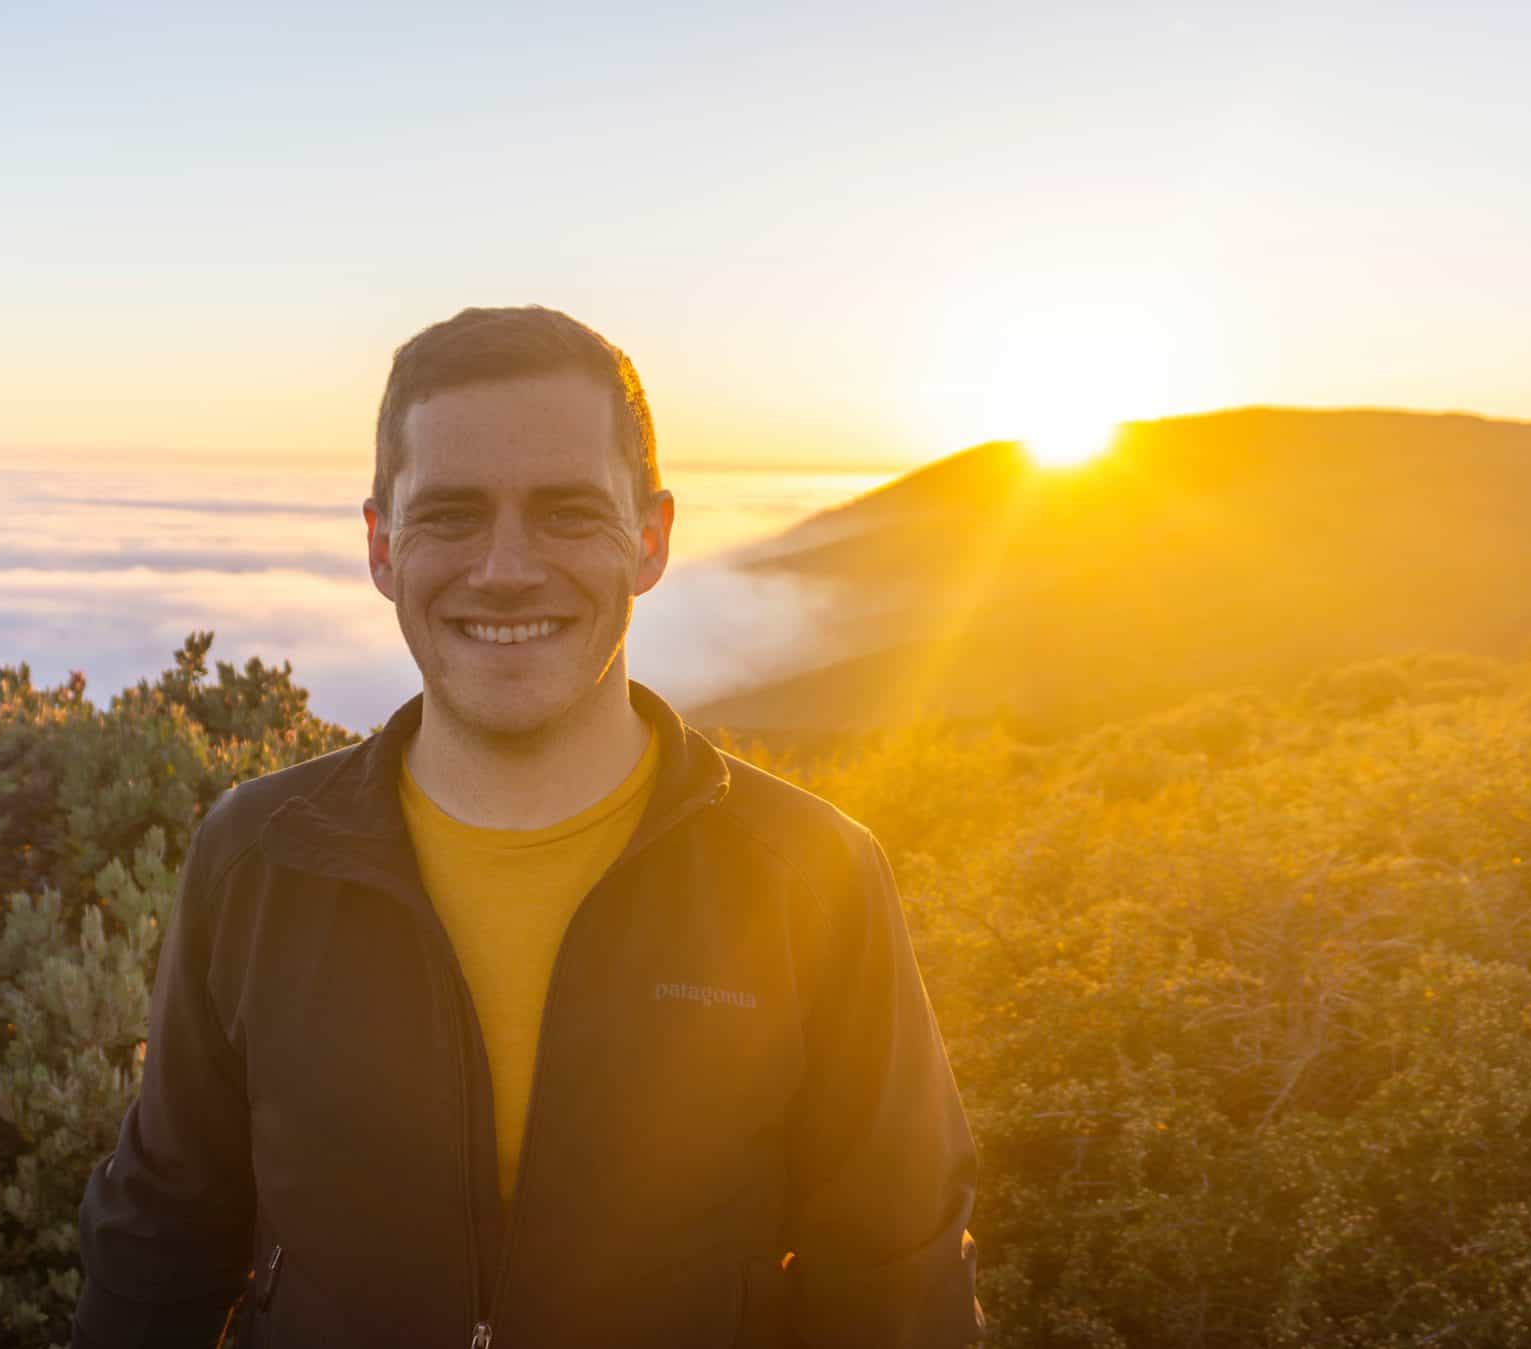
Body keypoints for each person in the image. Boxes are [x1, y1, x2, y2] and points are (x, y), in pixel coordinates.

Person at [72, 306, 984, 1348]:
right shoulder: (256, 855)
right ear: (379, 547)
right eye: (450, 515)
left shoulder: (812, 875)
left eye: (565, 513)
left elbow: (896, 1277)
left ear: (649, 540)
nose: (504, 567)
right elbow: (161, 1242)